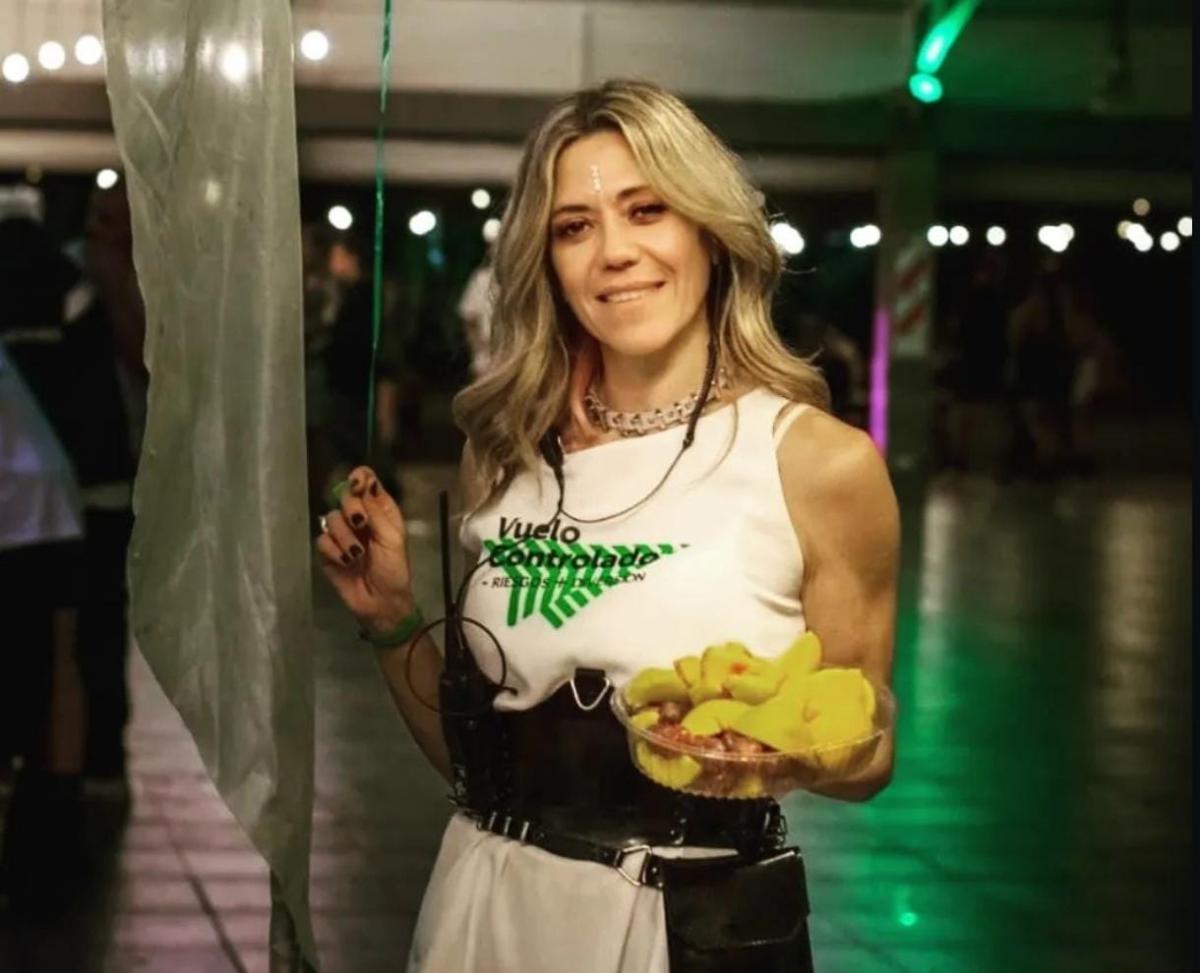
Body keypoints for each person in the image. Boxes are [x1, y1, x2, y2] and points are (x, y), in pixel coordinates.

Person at [315, 80, 899, 971]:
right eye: (574, 227)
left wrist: (759, 753)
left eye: (646, 210)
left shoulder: (817, 463)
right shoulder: (502, 455)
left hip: (686, 928)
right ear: (544, 261)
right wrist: (392, 618)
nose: (614, 253)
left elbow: (870, 746)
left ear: (708, 230)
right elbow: (479, 773)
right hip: (484, 908)